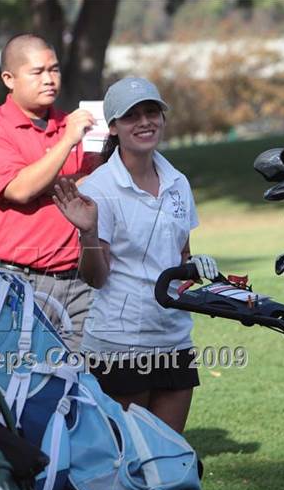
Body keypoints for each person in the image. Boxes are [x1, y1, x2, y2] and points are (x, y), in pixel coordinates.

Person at [53, 77, 218, 433]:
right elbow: (96, 278)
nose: (144, 122)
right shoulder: (100, 188)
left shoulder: (178, 181)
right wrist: (89, 232)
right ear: (113, 127)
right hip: (120, 342)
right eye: (131, 116)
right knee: (128, 461)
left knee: (169, 458)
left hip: (174, 336)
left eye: (151, 112)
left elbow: (180, 254)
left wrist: (199, 275)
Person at [0, 33, 99, 349]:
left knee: (83, 385)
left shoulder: (74, 124)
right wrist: (67, 143)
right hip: (12, 280)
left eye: (54, 70)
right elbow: (20, 189)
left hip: (77, 282)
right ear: (9, 79)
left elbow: (99, 186)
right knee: (17, 385)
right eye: (37, 72)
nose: (50, 79)